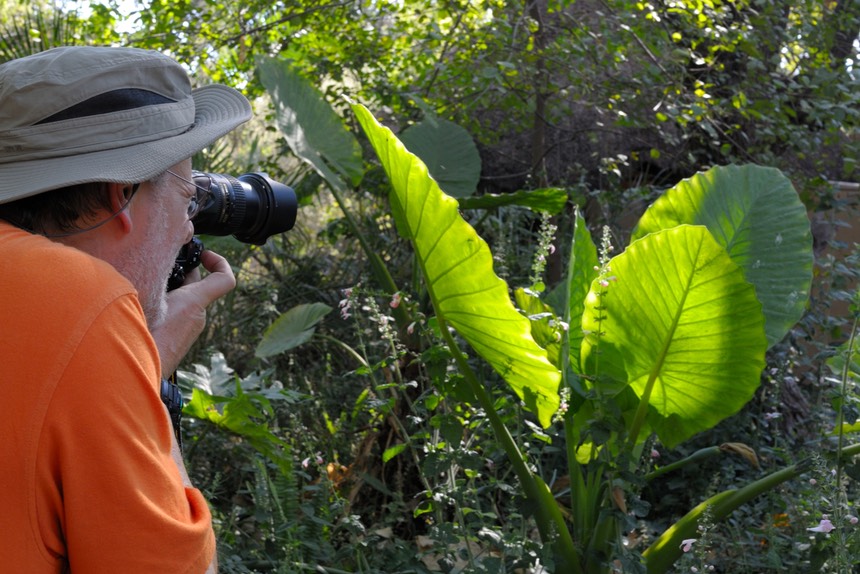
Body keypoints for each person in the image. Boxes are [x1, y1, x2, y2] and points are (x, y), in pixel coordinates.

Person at [0, 45, 252, 573]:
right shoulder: (77, 301)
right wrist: (149, 376)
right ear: (120, 196)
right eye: (187, 195)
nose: (189, 225)